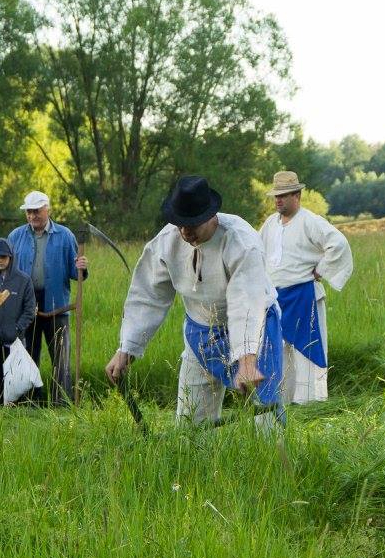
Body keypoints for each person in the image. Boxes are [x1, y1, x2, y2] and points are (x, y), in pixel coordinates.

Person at [105, 175, 283, 426]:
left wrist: (246, 360)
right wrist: (127, 349)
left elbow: (246, 302)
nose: (185, 232)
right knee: (190, 424)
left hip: (256, 328)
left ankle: (271, 449)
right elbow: (147, 296)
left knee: (266, 418)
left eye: (192, 224)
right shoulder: (166, 242)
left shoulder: (241, 241)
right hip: (200, 331)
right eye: (180, 224)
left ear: (211, 216)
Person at [259, 171, 353, 404]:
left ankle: (310, 401)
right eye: (276, 196)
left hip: (304, 296)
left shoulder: (310, 221)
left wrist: (321, 269)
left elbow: (338, 244)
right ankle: (284, 399)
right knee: (279, 351)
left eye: (283, 195)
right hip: (276, 298)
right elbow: (257, 251)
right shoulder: (270, 224)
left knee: (307, 351)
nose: (278, 200)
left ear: (297, 195)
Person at [7, 190, 88, 405]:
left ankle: (61, 402)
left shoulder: (65, 236)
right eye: (29, 212)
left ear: (47, 210)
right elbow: (7, 272)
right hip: (26, 305)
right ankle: (28, 401)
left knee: (61, 357)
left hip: (57, 303)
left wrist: (81, 267)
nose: (32, 215)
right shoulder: (15, 237)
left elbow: (76, 274)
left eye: (36, 211)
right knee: (27, 354)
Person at [0, 238, 36, 404]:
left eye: (3, 257)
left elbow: (29, 310)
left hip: (15, 340)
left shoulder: (24, 281)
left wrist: (17, 329)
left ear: (11, 257)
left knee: (17, 379)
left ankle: (18, 409)